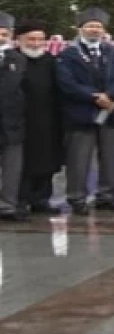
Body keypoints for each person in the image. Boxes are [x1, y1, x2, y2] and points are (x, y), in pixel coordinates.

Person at [58, 7, 114, 215]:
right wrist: (94, 96)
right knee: (79, 159)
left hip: (111, 111)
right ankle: (77, 197)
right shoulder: (68, 54)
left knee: (110, 157)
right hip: (81, 113)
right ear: (80, 28)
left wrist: (112, 95)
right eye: (90, 26)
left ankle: (107, 195)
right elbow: (66, 83)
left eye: (98, 26)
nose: (94, 30)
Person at [14, 22, 62, 215]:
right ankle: (22, 199)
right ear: (19, 40)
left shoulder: (50, 61)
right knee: (23, 163)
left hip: (48, 119)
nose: (36, 44)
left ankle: (42, 199)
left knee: (47, 160)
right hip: (21, 120)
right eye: (31, 39)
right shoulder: (14, 60)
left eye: (40, 39)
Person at [0, 12, 25, 221]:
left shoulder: (18, 58)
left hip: (12, 121)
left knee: (12, 167)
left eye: (4, 33)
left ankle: (8, 205)